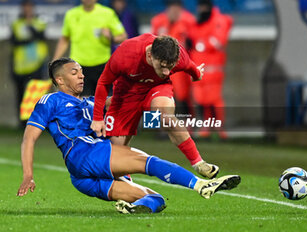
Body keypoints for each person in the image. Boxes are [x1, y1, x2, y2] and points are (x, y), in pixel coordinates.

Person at [16, 57, 241, 214]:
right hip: (85, 153)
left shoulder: (90, 102)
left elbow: (117, 102)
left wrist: (142, 88)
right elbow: (29, 138)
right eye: (74, 73)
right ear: (59, 81)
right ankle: (201, 185)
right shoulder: (50, 100)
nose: (81, 76)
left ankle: (131, 208)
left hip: (82, 178)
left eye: (82, 72)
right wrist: (28, 174)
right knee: (148, 162)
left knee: (155, 199)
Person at [91, 34, 219, 179]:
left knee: (165, 116)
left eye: (170, 67)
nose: (166, 72)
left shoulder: (178, 56)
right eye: (162, 66)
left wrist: (197, 75)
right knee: (116, 153)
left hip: (157, 88)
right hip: (126, 94)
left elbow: (191, 67)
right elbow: (103, 82)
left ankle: (199, 164)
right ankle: (128, 190)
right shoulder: (126, 54)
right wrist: (97, 118)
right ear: (150, 55)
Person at [53, 0, 127, 96]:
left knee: (103, 102)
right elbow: (64, 39)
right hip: (78, 66)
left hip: (102, 65)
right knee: (82, 102)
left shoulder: (107, 13)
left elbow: (123, 37)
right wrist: (55, 61)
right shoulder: (71, 14)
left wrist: (110, 37)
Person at [188, 0, 233, 139]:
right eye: (200, 6)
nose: (201, 9)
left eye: (203, 6)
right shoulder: (200, 22)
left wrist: (199, 44)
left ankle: (221, 128)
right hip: (201, 67)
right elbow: (193, 38)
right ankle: (207, 127)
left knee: (214, 99)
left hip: (214, 68)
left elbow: (218, 42)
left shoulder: (218, 20)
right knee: (202, 99)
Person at [151, 0, 195, 116]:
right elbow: (152, 42)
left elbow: (193, 42)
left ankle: (187, 124)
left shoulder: (188, 21)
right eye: (172, 8)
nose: (174, 11)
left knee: (182, 96)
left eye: (177, 8)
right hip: (160, 66)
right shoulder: (158, 21)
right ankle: (155, 127)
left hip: (180, 66)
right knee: (156, 96)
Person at [10, 0, 49, 128]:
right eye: (25, 7)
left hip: (37, 64)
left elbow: (40, 36)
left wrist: (30, 26)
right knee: (21, 95)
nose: (27, 9)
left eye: (29, 7)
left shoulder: (39, 22)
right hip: (21, 65)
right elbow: (14, 42)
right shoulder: (16, 24)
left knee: (36, 94)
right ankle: (22, 124)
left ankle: (37, 122)